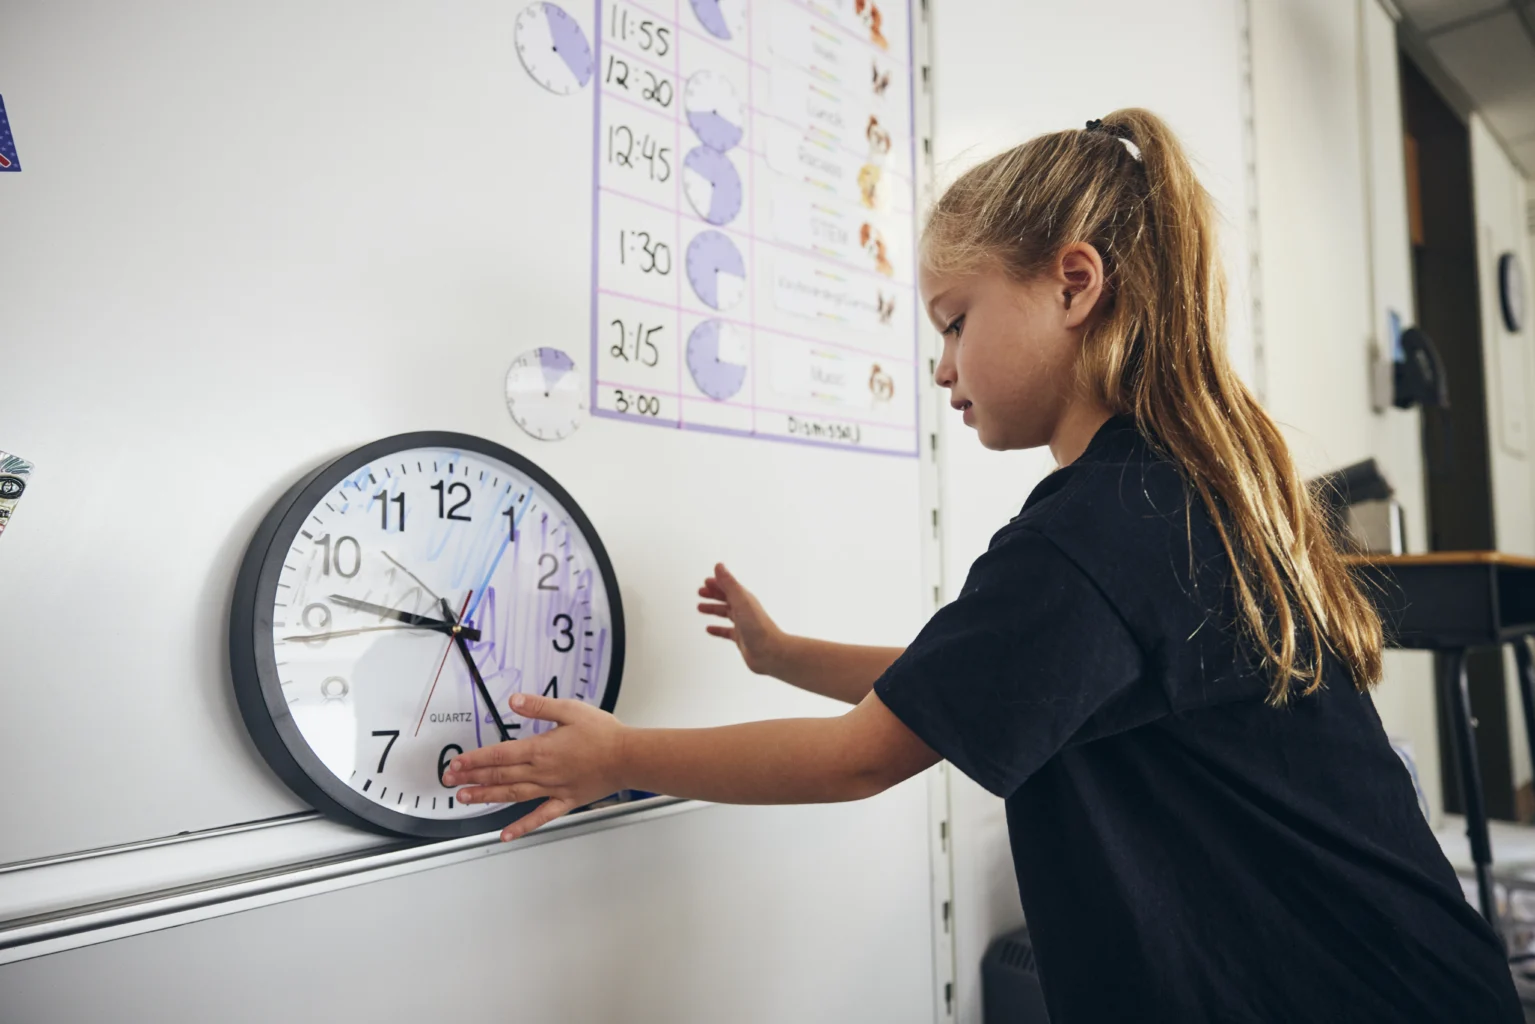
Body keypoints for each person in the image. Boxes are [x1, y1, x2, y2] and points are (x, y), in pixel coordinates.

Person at [443, 109, 1521, 1022]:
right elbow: (980, 679)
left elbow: (862, 758)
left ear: (1073, 283)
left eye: (955, 321)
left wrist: (618, 753)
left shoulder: (1096, 526)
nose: (940, 365)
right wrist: (781, 654)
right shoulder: (1163, 493)